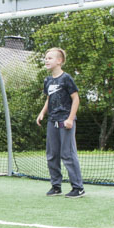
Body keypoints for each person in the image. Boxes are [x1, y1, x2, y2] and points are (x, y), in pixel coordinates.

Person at [36, 47, 85, 197]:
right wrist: (42, 113)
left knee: (67, 154)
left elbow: (75, 99)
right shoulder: (48, 80)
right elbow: (49, 98)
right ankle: (56, 186)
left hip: (65, 121)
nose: (46, 60)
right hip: (52, 121)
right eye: (46, 58)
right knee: (52, 154)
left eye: (50, 58)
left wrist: (70, 119)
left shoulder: (66, 78)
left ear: (59, 61)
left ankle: (78, 188)